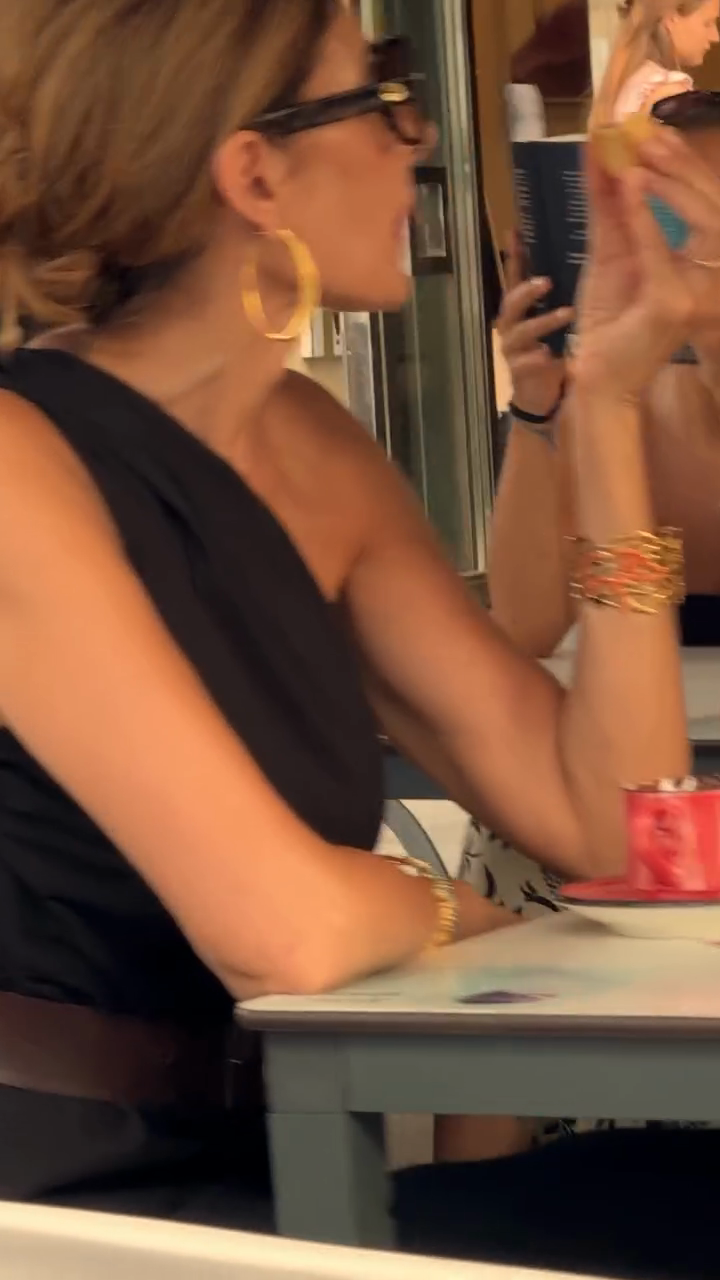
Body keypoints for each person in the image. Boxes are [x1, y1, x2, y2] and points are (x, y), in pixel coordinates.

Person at [0, 0, 716, 1274]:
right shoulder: (17, 464)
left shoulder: (314, 450)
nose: (420, 136)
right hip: (66, 1200)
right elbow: (282, 931)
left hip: (273, 1151)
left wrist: (605, 405)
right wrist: (454, 907)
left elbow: (615, 828)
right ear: (254, 175)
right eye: (383, 97)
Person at [454, 100, 720, 1168]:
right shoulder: (628, 382)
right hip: (637, 783)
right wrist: (539, 406)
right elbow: (524, 620)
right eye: (665, 214)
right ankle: (479, 1205)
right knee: (514, 837)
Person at [590, 0, 719, 128]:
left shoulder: (630, 82)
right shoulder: (671, 97)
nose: (716, 37)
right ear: (671, 20)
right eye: (707, 23)